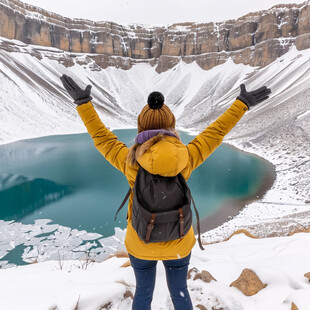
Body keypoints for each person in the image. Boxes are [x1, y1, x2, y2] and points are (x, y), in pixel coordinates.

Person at [60, 75, 271, 310]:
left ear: (141, 126)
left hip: (141, 241)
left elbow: (101, 137)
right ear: (171, 125)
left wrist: (83, 103)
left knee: (143, 293)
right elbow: (216, 131)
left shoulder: (131, 163)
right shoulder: (187, 157)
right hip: (179, 242)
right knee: (180, 293)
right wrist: (242, 103)